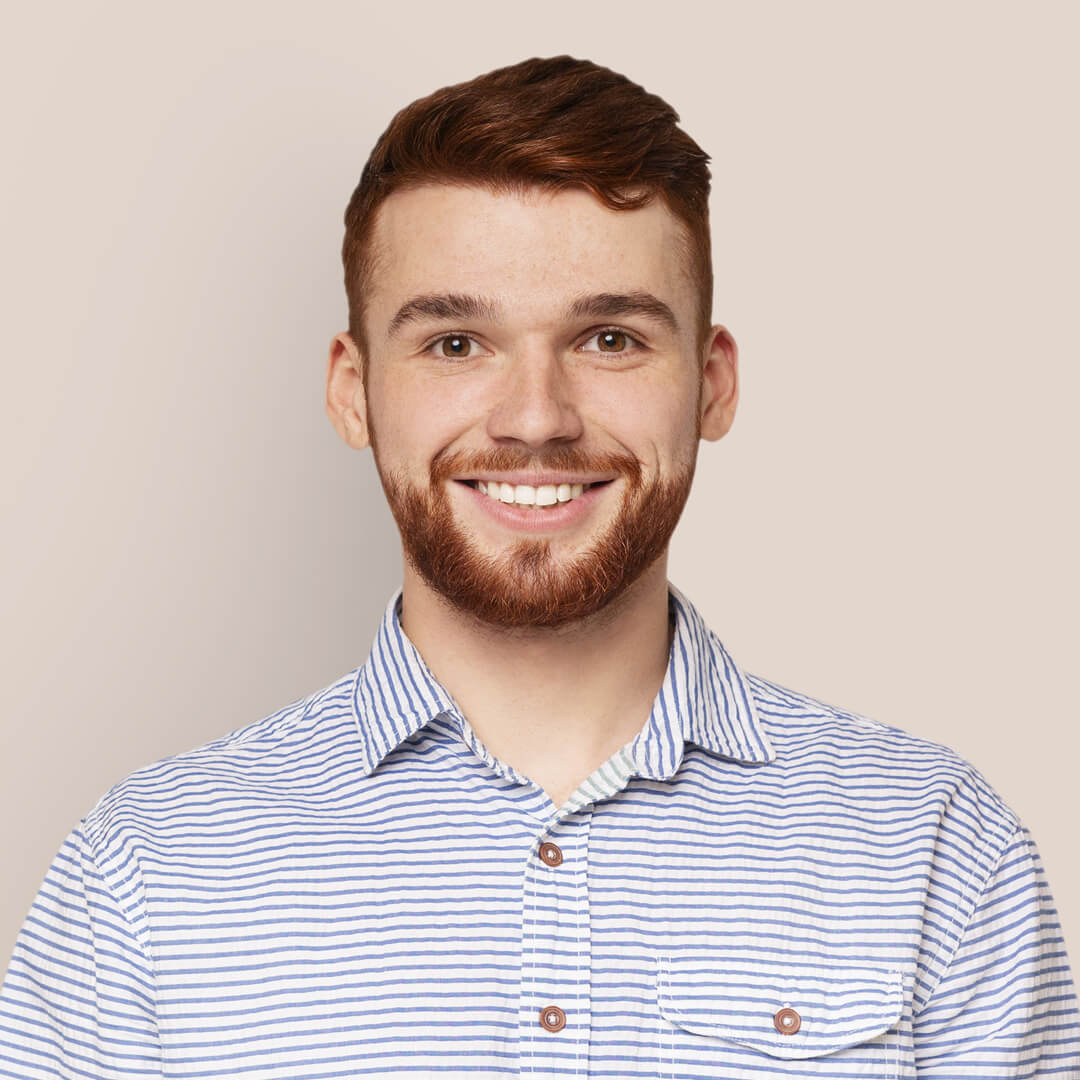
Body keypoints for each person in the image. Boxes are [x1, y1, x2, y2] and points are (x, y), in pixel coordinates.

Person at [2, 55, 1078, 1080]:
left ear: (711, 384)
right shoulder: (144, 874)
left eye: (609, 339)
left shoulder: (935, 848)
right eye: (454, 344)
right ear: (352, 390)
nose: (535, 420)